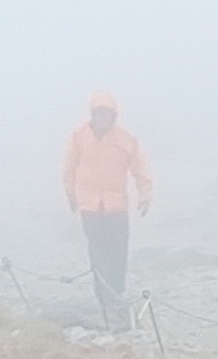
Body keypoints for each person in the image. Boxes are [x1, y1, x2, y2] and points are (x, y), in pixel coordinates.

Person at [61, 93, 153, 327]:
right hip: (90, 207)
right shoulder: (79, 137)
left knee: (118, 254)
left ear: (114, 116)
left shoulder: (125, 139)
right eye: (99, 113)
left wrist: (145, 195)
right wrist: (71, 195)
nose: (103, 118)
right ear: (93, 115)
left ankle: (116, 295)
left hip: (116, 207)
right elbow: (69, 168)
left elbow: (140, 168)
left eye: (107, 114)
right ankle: (104, 300)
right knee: (98, 253)